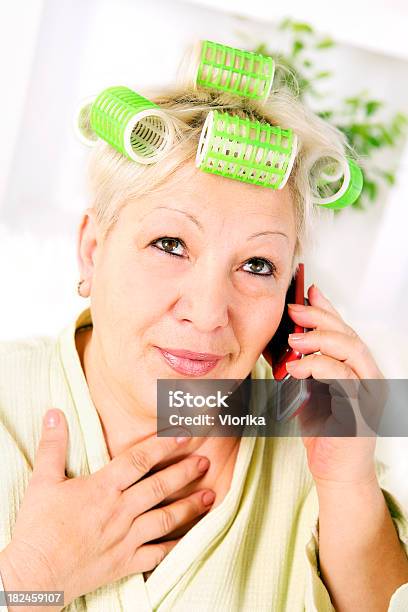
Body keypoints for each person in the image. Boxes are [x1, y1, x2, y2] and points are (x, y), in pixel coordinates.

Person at [0, 45, 408, 612]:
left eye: (257, 266)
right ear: (92, 251)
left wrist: (348, 486)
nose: (209, 311)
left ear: (291, 293)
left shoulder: (319, 450)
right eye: (170, 245)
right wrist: (29, 579)